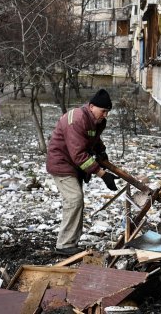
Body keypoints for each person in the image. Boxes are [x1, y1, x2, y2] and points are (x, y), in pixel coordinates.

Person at [46, 88, 119, 255]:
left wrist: (101, 151)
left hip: (74, 165)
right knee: (74, 199)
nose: (105, 115)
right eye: (103, 111)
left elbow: (93, 137)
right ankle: (64, 245)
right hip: (62, 162)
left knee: (77, 201)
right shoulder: (77, 119)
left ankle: (71, 242)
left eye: (108, 112)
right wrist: (102, 174)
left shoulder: (97, 120)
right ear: (92, 106)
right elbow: (78, 155)